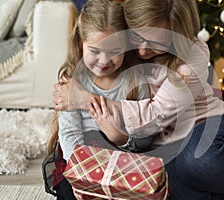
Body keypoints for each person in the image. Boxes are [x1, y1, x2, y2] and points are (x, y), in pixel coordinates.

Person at [53, 0, 224, 199]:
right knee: (163, 188)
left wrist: (84, 99)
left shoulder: (192, 57)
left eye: (157, 42)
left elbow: (154, 114)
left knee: (199, 162)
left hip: (203, 124)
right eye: (138, 36)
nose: (143, 50)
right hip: (165, 140)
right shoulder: (125, 53)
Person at [45, 0, 154, 199]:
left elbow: (146, 136)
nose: (104, 61)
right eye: (95, 51)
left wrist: (121, 137)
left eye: (115, 52)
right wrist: (83, 175)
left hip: (124, 157)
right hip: (79, 158)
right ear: (80, 44)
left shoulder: (136, 80)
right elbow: (70, 134)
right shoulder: (73, 80)